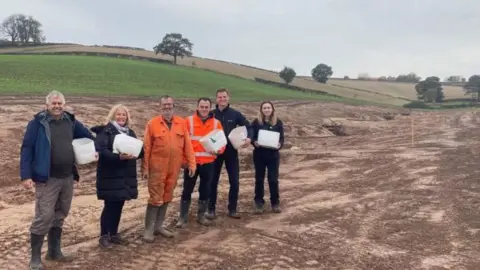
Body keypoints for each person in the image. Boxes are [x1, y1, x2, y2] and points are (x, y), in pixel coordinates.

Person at [19, 90, 99, 270]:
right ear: (47, 105)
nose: (57, 106)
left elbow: (88, 136)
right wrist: (25, 175)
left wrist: (97, 145)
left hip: (67, 177)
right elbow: (27, 148)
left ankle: (54, 251)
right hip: (46, 179)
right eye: (53, 103)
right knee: (44, 216)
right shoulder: (37, 123)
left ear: (64, 104)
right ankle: (35, 258)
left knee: (60, 214)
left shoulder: (70, 121)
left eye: (60, 103)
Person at [142, 95, 196, 243]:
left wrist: (192, 163)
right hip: (157, 167)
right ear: (160, 106)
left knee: (167, 196)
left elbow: (188, 145)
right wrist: (145, 168)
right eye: (164, 105)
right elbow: (147, 148)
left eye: (169, 104)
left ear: (174, 106)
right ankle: (148, 229)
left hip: (174, 166)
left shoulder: (181, 123)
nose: (167, 107)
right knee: (155, 197)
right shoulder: (152, 124)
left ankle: (159, 226)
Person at [90, 104, 144, 249]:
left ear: (127, 117)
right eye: (118, 114)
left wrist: (138, 153)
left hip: (125, 176)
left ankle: (114, 234)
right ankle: (104, 236)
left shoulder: (130, 133)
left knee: (119, 205)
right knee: (109, 206)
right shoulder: (105, 131)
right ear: (113, 116)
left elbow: (138, 151)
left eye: (123, 115)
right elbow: (101, 151)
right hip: (110, 175)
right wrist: (118, 157)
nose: (121, 117)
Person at [176, 97, 226, 228]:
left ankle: (201, 216)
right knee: (187, 189)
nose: (204, 109)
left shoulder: (216, 123)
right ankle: (183, 217)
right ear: (197, 107)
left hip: (209, 163)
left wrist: (219, 151)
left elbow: (222, 142)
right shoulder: (188, 121)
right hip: (192, 164)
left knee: (205, 189)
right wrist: (183, 160)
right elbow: (181, 143)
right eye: (202, 107)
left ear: (210, 108)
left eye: (206, 107)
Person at [207, 88, 253, 220]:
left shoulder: (235, 114)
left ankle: (232, 209)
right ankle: (211, 209)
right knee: (212, 181)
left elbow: (248, 126)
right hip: (215, 153)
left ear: (228, 98)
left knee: (234, 181)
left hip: (231, 152)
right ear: (216, 99)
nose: (222, 99)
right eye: (219, 97)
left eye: (224, 97)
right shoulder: (211, 114)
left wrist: (249, 138)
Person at [250, 101, 285, 214]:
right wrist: (254, 142)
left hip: (273, 156)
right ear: (261, 110)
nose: (266, 110)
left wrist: (280, 144)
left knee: (273, 180)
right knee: (259, 180)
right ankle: (259, 203)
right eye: (264, 108)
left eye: (268, 108)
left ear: (272, 109)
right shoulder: (256, 122)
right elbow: (252, 136)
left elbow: (281, 138)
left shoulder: (278, 122)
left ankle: (275, 203)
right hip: (259, 155)